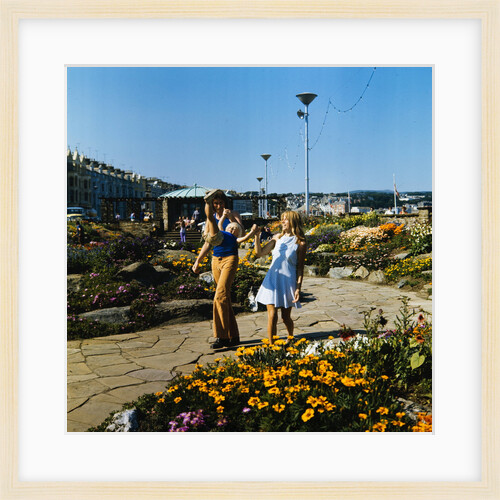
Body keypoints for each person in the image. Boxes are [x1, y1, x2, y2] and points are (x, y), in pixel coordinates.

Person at [194, 189, 258, 350]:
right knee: (225, 298)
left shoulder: (233, 214)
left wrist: (230, 218)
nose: (218, 206)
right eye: (215, 203)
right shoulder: (213, 219)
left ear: (225, 202)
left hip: (230, 258)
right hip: (216, 259)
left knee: (220, 296)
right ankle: (233, 336)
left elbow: (241, 232)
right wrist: (198, 261)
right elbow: (208, 242)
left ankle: (221, 336)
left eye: (220, 202)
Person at [254, 211, 307, 344]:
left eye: (285, 219)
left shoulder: (300, 242)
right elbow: (259, 253)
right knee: (272, 316)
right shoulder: (277, 238)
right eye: (282, 219)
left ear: (293, 222)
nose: (282, 222)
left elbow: (300, 268)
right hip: (272, 280)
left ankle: (290, 338)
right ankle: (272, 347)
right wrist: (256, 236)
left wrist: (298, 289)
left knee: (285, 317)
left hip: (287, 282)